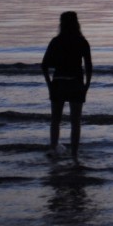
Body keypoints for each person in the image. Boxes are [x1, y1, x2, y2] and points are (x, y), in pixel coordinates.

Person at [42, 11, 92, 161]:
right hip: (76, 83)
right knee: (75, 122)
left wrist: (49, 84)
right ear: (77, 23)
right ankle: (74, 154)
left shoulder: (56, 41)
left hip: (58, 82)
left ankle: (53, 149)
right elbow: (89, 67)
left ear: (61, 24)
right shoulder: (82, 41)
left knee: (55, 120)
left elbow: (44, 65)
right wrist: (87, 85)